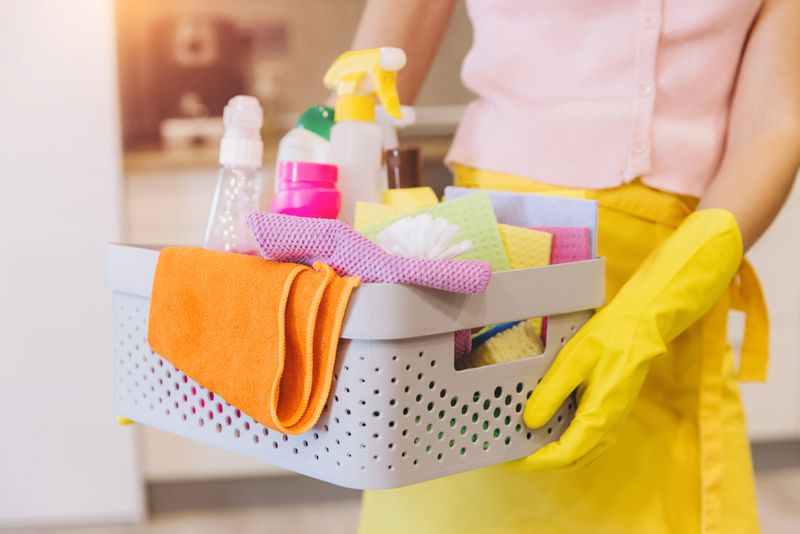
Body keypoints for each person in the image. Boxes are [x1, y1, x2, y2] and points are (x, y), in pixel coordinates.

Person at [348, 1, 800, 533]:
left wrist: (649, 311)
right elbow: (360, 90)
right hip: (479, 276)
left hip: (671, 290)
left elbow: (776, 122)